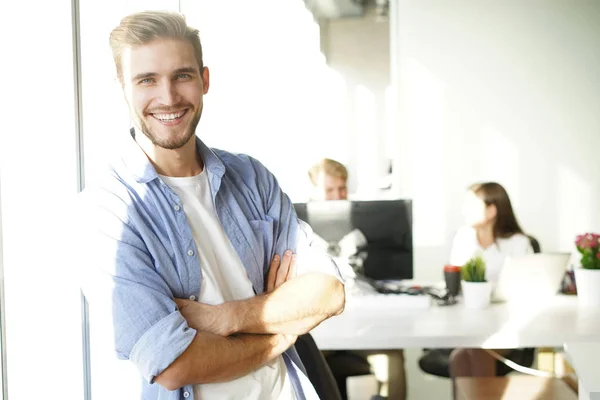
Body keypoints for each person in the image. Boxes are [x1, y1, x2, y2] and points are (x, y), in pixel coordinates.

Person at [77, 11, 345, 400]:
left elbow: (328, 292)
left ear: (204, 80)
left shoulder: (251, 177)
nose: (168, 97)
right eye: (147, 79)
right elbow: (174, 364)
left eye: (182, 75)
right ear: (123, 88)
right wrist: (282, 330)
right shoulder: (108, 211)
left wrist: (224, 318)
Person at [419, 182, 534, 395]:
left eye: (471, 205)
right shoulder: (464, 238)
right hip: (470, 324)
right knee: (460, 356)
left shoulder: (518, 243)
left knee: (480, 350)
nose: (464, 211)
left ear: (491, 210)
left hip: (506, 325)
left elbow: (525, 289)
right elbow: (454, 285)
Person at [307, 159, 407, 400]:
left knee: (391, 358)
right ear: (313, 191)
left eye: (341, 189)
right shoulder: (296, 228)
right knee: (305, 362)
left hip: (362, 316)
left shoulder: (365, 220)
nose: (337, 196)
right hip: (321, 327)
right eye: (329, 190)